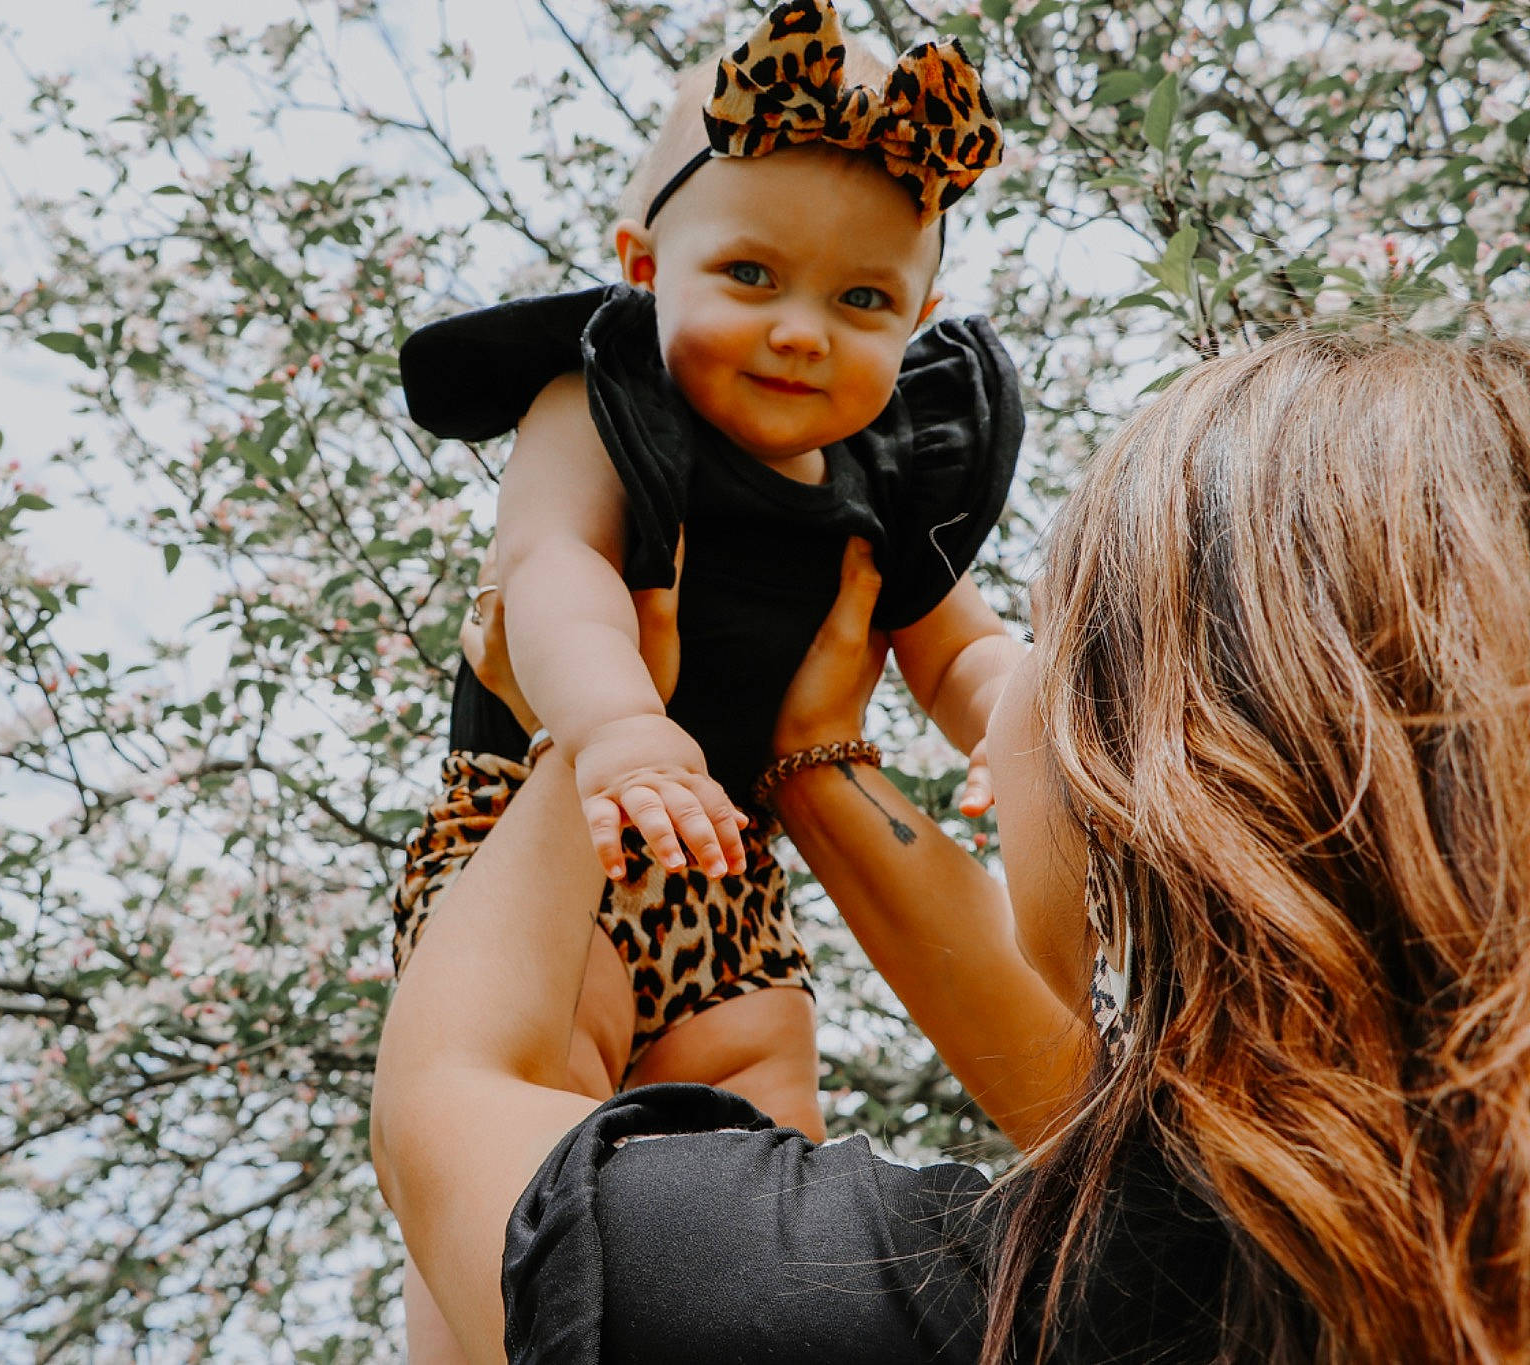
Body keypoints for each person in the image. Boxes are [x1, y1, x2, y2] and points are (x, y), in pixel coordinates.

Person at [372, 324, 1530, 1363]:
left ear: (1153, 764)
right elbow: (1157, 1121)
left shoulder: (908, 1308)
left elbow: (449, 1112)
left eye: (1043, 635)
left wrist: (591, 733)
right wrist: (817, 770)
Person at [393, 0, 1020, 1150]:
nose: (800, 331)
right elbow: (550, 567)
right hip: (541, 832)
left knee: (765, 1132)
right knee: (527, 1144)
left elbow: (957, 647)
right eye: (748, 273)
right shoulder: (604, 397)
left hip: (724, 877)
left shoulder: (891, 476)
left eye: (861, 299)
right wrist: (619, 723)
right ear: (642, 268)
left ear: (920, 316)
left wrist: (1023, 716)